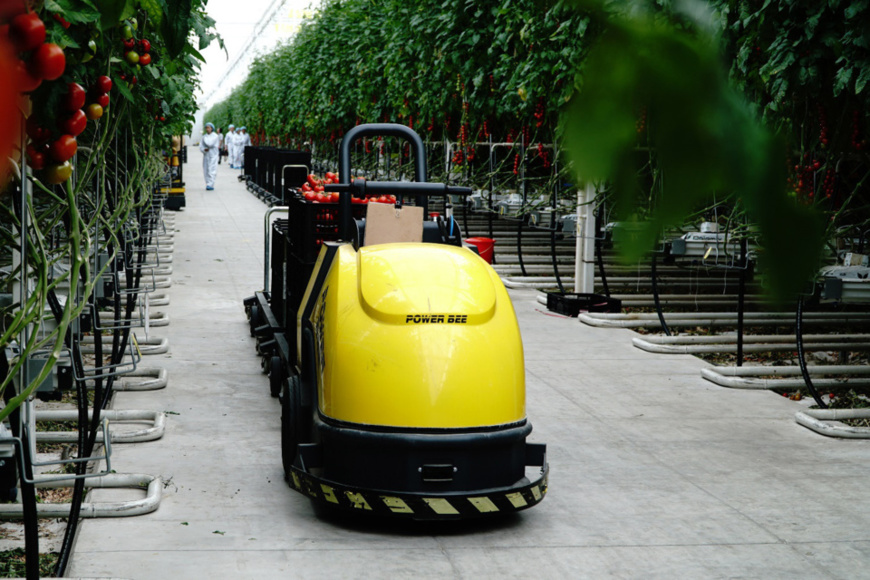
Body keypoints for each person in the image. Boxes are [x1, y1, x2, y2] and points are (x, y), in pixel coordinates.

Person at [199, 122, 220, 190]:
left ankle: (211, 184)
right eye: (206, 128)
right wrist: (203, 149)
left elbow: (209, 143)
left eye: (208, 127)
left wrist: (205, 144)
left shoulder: (215, 136)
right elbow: (201, 146)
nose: (207, 129)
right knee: (206, 170)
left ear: (212, 128)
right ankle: (208, 183)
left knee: (212, 169)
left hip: (213, 155)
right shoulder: (204, 136)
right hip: (206, 155)